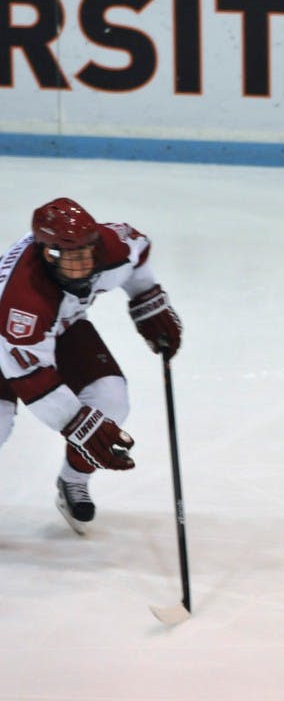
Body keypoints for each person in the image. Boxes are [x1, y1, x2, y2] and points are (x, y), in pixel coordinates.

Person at [0, 198, 182, 534]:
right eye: (73, 259)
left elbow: (138, 251)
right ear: (48, 255)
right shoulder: (23, 299)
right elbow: (30, 376)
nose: (84, 266)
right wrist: (77, 423)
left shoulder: (108, 247)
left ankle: (72, 482)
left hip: (60, 328)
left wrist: (147, 299)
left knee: (110, 399)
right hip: (9, 345)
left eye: (87, 253)